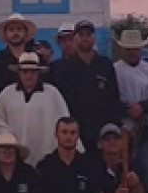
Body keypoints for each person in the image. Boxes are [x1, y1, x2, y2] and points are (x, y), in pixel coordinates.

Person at [49, 21, 122, 151]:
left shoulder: (106, 65)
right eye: (81, 34)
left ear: (94, 38)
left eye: (88, 34)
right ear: (75, 38)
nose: (85, 38)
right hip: (74, 135)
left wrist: (114, 130)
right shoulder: (63, 68)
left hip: (102, 133)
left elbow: (114, 98)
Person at [0, 53, 74, 163]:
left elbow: (66, 122)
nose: (29, 75)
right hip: (15, 157)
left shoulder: (52, 94)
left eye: (33, 72)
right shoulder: (7, 94)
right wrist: (7, 137)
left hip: (47, 155)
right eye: (25, 72)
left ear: (39, 73)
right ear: (19, 73)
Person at [113, 29, 148, 193]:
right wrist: (127, 110)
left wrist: (142, 107)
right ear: (122, 49)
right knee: (121, 169)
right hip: (122, 128)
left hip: (147, 127)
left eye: (135, 49)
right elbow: (109, 98)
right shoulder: (114, 70)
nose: (131, 52)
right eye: (128, 49)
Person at [0, 14, 38, 98]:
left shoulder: (37, 59)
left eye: (19, 29)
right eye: (11, 30)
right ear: (6, 34)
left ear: (25, 33)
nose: (15, 33)